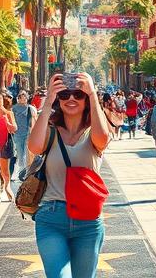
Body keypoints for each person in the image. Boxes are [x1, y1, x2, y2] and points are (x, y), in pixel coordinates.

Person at [27, 72, 111, 278]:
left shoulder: (93, 130)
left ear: (85, 100)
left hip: (88, 220)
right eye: (64, 95)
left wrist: (92, 93)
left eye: (78, 94)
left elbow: (102, 139)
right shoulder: (49, 130)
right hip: (51, 217)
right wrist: (48, 101)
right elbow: (34, 147)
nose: (71, 99)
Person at [11, 89, 38, 179]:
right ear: (18, 98)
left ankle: (24, 172)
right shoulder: (14, 108)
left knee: (26, 154)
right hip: (17, 134)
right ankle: (20, 172)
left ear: (27, 98)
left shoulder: (31, 108)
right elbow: (11, 119)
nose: (23, 99)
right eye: (21, 97)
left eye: (24, 97)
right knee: (20, 153)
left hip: (28, 134)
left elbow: (35, 121)